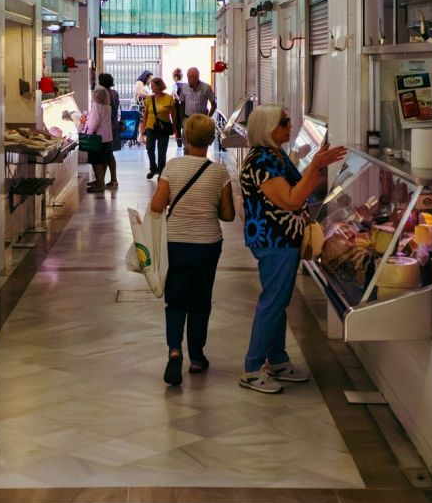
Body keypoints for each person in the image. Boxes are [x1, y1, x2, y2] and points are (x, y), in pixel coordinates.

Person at [238, 104, 347, 394]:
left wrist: (318, 165)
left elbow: (302, 187)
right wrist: (315, 165)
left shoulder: (275, 154)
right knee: (273, 302)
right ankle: (252, 367)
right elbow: (290, 199)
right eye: (284, 122)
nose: (290, 126)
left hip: (285, 238)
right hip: (274, 240)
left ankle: (277, 359)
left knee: (278, 300)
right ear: (268, 129)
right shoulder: (261, 162)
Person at [149, 114, 235, 386]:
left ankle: (175, 350)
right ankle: (197, 357)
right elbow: (229, 215)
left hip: (175, 242)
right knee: (200, 301)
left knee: (175, 300)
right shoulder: (219, 172)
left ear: (185, 138)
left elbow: (156, 205)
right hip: (207, 245)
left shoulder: (172, 168)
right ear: (211, 140)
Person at [140, 75, 178, 179]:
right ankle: (153, 168)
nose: (151, 88)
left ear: (159, 86)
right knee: (149, 149)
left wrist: (175, 128)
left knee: (162, 151)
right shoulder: (149, 99)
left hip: (163, 128)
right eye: (151, 86)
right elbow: (146, 114)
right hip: (151, 127)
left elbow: (173, 115)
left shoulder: (169, 99)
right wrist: (142, 129)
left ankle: (161, 172)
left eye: (153, 86)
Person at [83, 87, 115, 193]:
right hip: (107, 138)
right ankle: (99, 181)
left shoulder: (97, 107)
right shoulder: (107, 107)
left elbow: (93, 123)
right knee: (103, 160)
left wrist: (87, 132)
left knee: (97, 162)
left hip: (97, 139)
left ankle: (100, 184)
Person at [175, 67, 217, 144]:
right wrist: (182, 120)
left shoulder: (206, 88)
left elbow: (214, 105)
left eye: (190, 77)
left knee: (200, 144)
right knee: (187, 144)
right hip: (188, 119)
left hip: (201, 120)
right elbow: (181, 104)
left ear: (197, 77)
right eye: (187, 76)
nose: (188, 79)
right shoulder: (184, 88)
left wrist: (208, 118)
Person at [98, 73, 121, 189]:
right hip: (114, 125)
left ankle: (112, 180)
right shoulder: (114, 93)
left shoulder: (102, 94)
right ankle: (104, 179)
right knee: (108, 154)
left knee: (107, 154)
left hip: (106, 127)